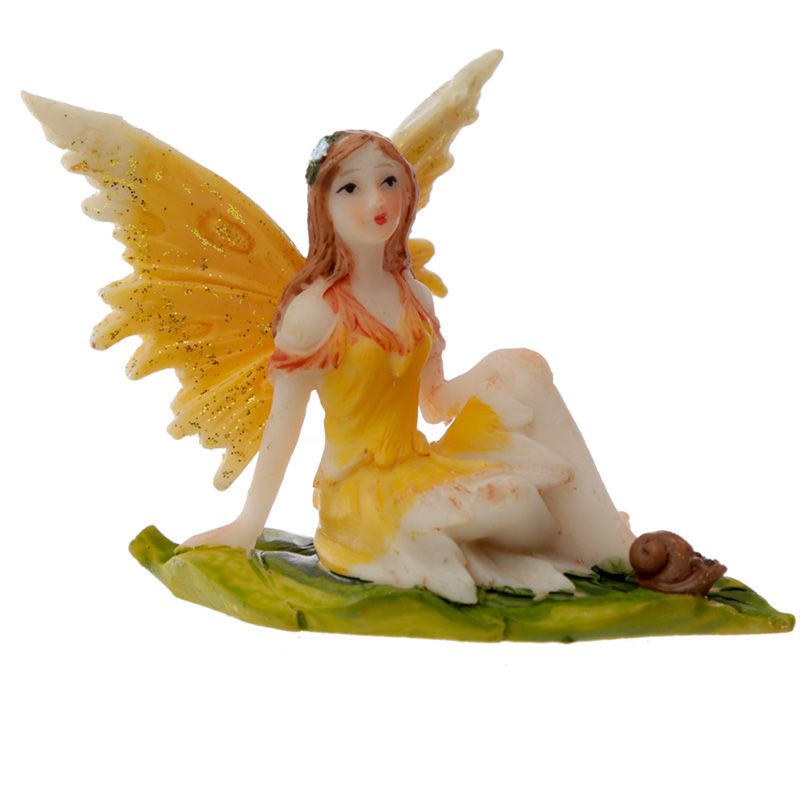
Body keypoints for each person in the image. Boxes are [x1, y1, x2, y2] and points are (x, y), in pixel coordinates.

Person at [183, 130, 635, 603]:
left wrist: (496, 371)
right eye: (350, 188)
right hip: (359, 493)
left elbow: (435, 404)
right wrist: (248, 524)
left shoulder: (415, 296)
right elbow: (283, 428)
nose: (377, 200)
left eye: (389, 181)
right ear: (323, 207)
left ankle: (609, 547)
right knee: (513, 501)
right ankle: (455, 553)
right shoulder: (314, 313)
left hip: (419, 466)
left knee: (525, 479)